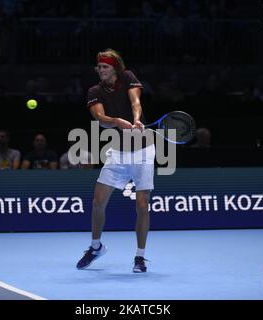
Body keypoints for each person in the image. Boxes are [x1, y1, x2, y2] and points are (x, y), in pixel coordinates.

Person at [76, 48, 155, 273]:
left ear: (115, 68)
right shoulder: (95, 90)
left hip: (143, 152)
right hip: (117, 154)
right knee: (98, 202)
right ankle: (95, 247)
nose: (101, 70)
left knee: (142, 205)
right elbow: (101, 119)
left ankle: (139, 257)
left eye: (105, 67)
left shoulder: (128, 77)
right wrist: (118, 122)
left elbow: (136, 102)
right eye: (99, 67)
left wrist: (137, 120)